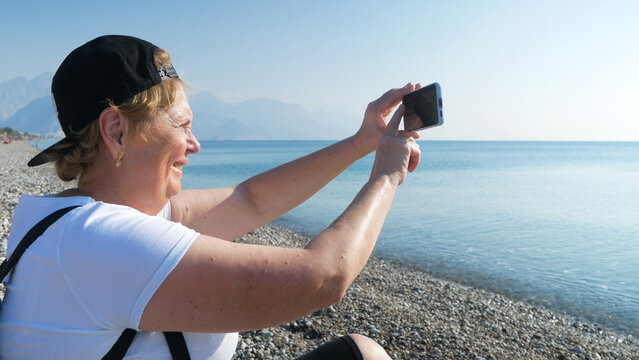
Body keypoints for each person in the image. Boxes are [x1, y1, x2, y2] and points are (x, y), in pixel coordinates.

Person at [0, 35, 420, 359]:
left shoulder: (72, 222)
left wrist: (362, 141)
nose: (194, 144)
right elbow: (323, 277)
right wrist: (386, 176)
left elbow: (249, 199)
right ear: (116, 131)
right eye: (181, 125)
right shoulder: (98, 243)